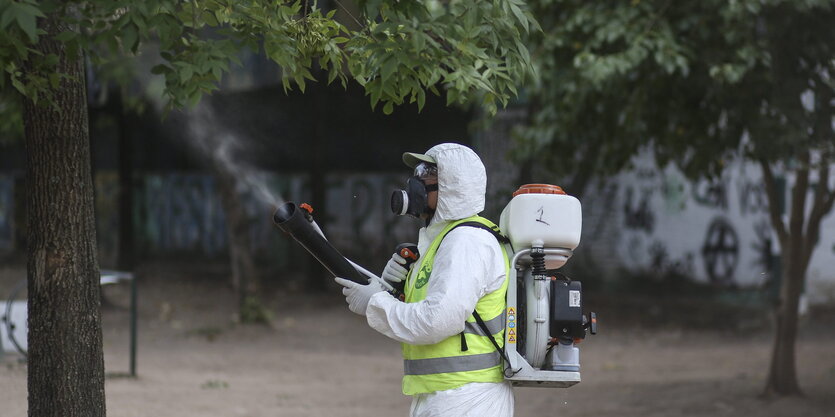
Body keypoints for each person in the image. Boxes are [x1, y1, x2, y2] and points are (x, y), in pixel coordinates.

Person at [335, 143, 514, 417]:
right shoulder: (442, 240)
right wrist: (392, 290)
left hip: (467, 398)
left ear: (454, 186)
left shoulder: (466, 241)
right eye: (418, 171)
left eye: (428, 173)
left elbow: (437, 321)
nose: (416, 181)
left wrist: (376, 304)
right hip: (447, 395)